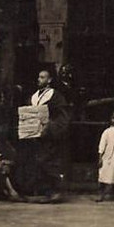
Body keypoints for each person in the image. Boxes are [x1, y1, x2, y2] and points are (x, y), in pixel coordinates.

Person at [24, 67, 71, 203]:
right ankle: (40, 191)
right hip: (35, 136)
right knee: (36, 162)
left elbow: (63, 117)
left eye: (43, 77)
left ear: (49, 80)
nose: (39, 80)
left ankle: (54, 192)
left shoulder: (56, 96)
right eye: (39, 77)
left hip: (50, 137)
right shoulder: (33, 97)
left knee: (50, 162)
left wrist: (50, 126)